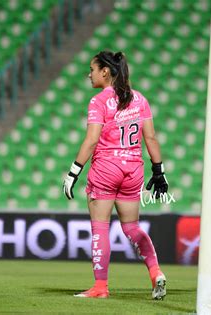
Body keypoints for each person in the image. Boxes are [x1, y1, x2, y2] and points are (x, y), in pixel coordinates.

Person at [62, 51, 169, 300]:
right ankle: (156, 273)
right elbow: (150, 137)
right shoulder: (139, 99)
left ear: (105, 72)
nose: (89, 74)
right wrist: (159, 171)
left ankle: (100, 287)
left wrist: (73, 172)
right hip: (133, 170)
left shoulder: (98, 101)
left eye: (92, 69)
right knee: (131, 227)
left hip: (106, 169)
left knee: (100, 228)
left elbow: (91, 140)